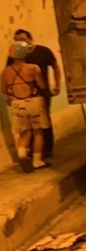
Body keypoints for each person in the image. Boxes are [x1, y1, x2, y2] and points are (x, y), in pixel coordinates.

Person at [5, 29, 60, 158]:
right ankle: (35, 154)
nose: (20, 42)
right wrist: (9, 95)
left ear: (30, 39)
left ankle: (45, 150)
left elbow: (55, 66)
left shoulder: (43, 51)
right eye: (17, 40)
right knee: (31, 127)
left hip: (40, 95)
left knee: (41, 124)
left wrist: (57, 84)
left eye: (23, 39)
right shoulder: (14, 56)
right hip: (23, 97)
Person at [2, 41, 52, 173]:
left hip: (17, 104)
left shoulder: (6, 72)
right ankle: (37, 161)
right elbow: (42, 86)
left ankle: (22, 156)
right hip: (34, 102)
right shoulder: (33, 68)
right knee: (38, 132)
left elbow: (3, 90)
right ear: (26, 53)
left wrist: (13, 93)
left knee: (24, 134)